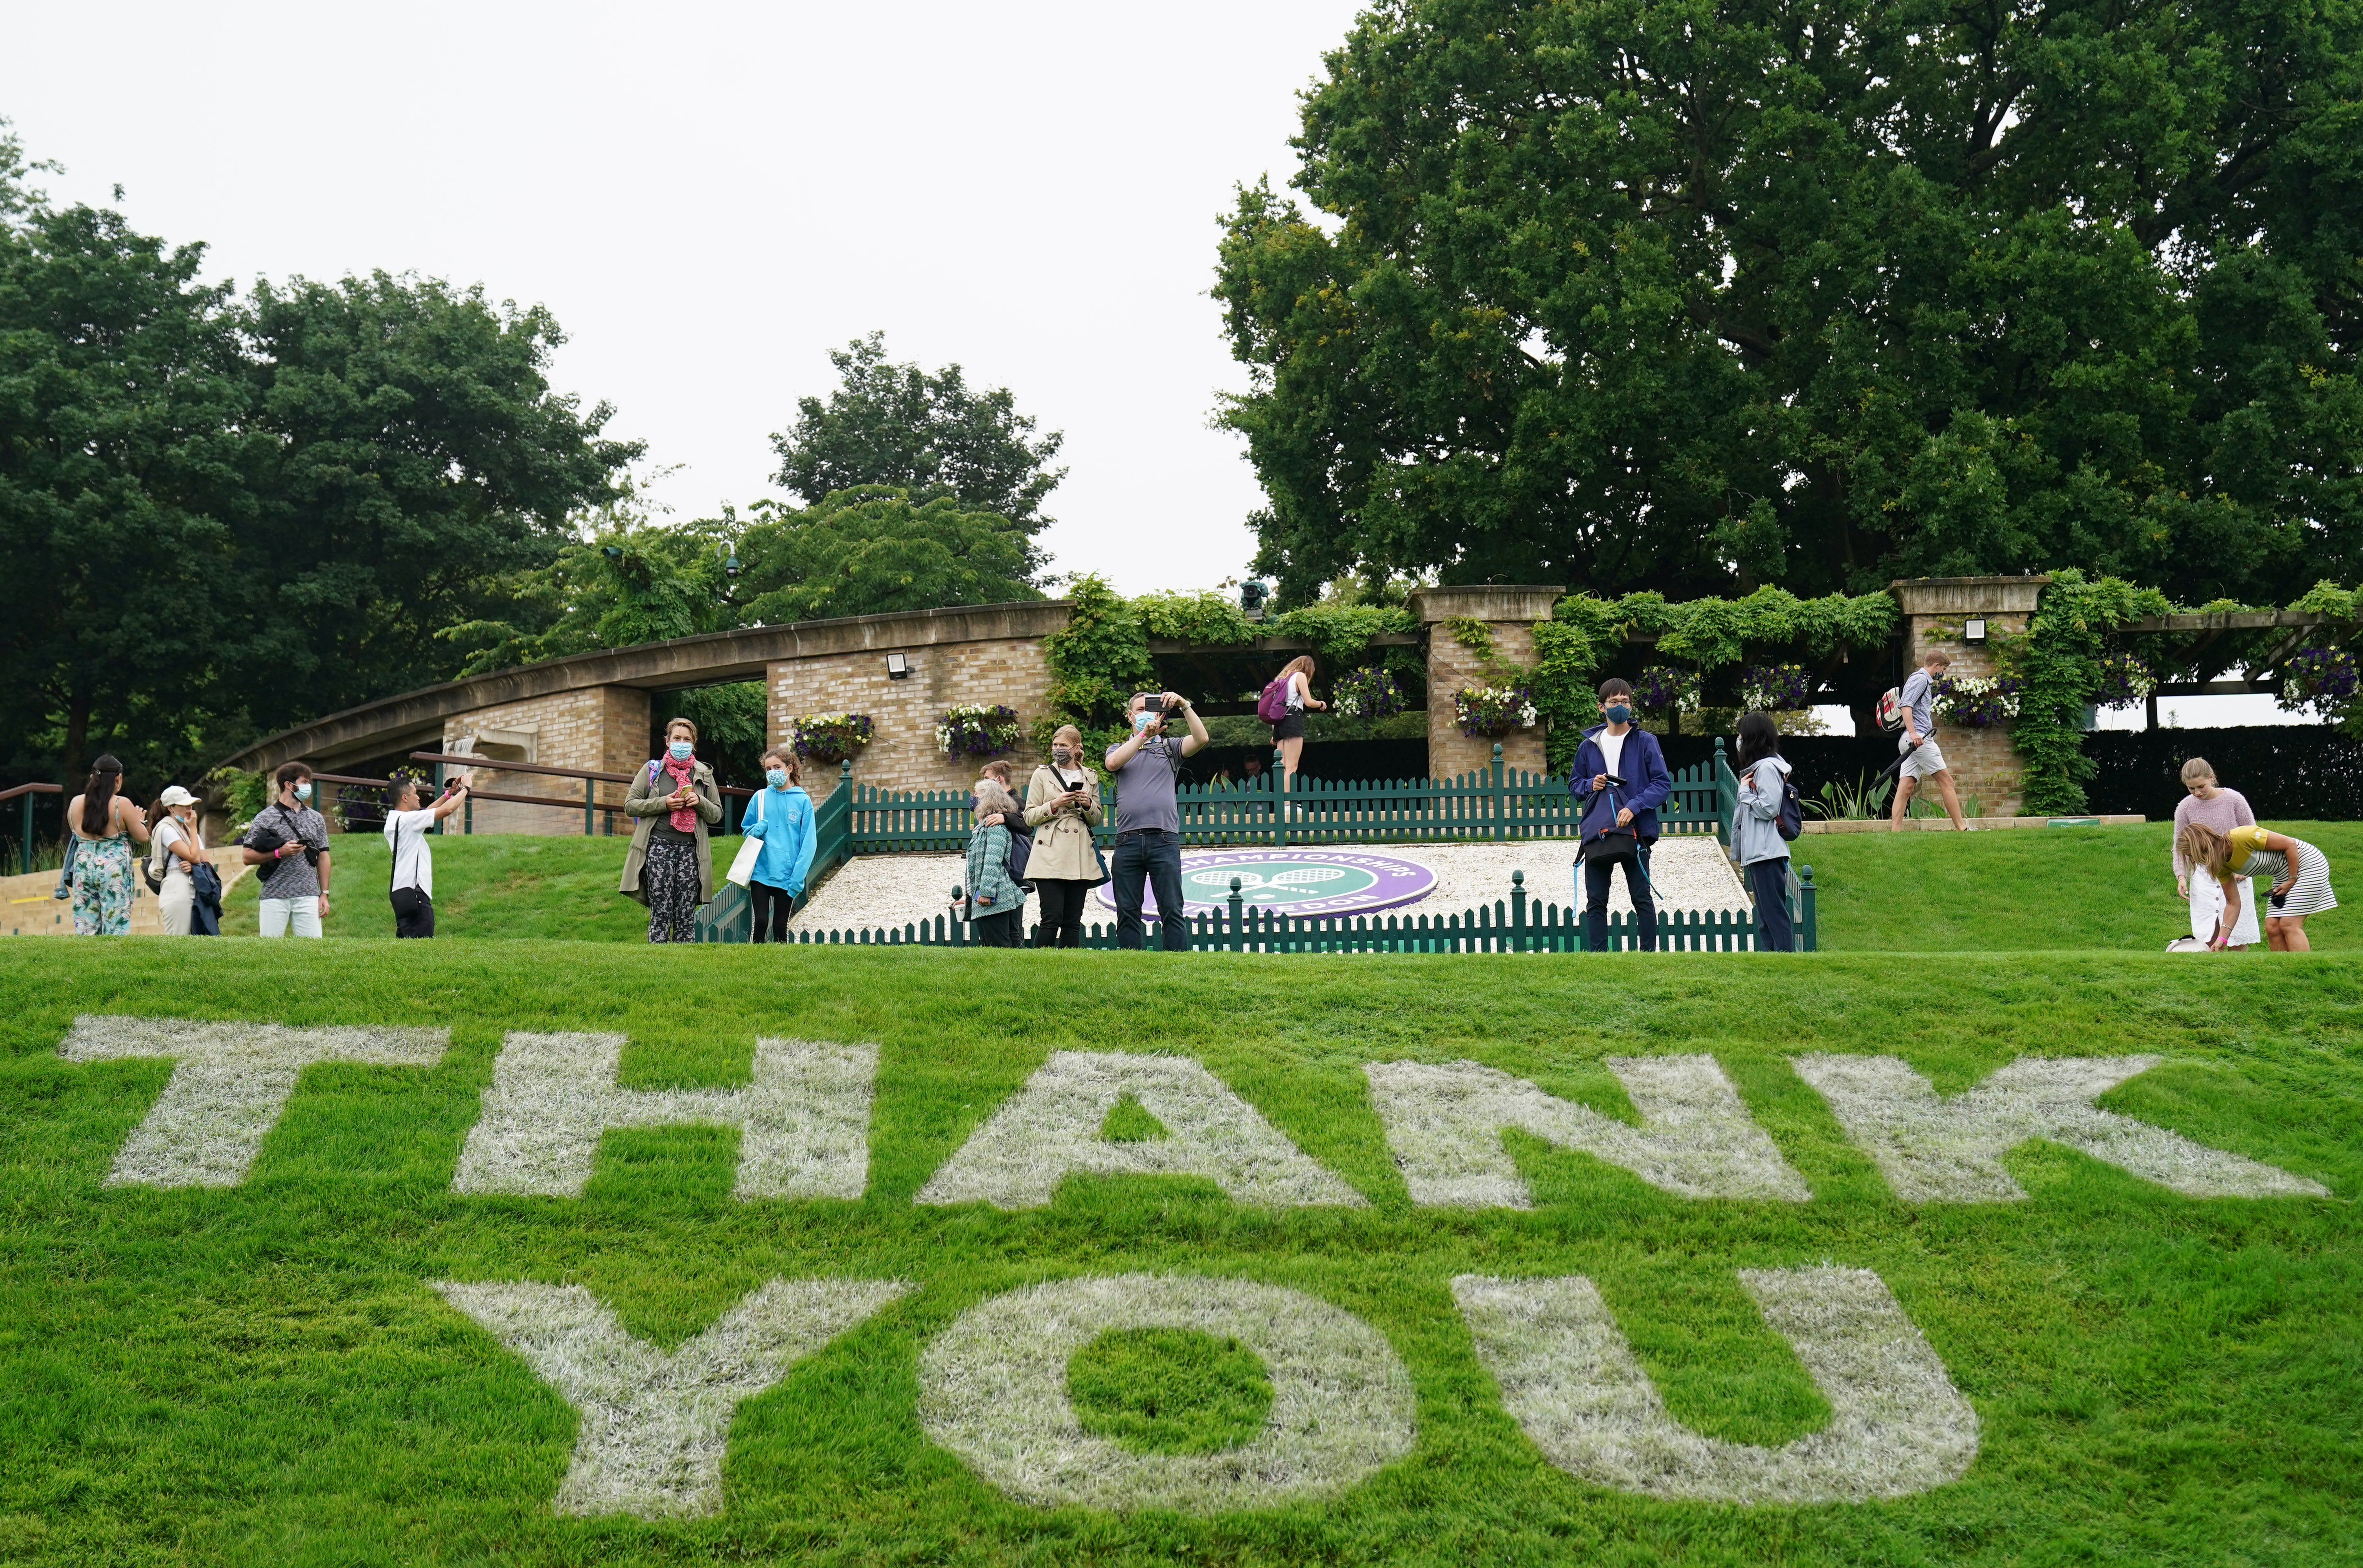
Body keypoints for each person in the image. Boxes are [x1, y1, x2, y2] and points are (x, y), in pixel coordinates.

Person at [1569, 679, 1671, 952]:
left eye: (1625, 702)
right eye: (1614, 702)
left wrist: (1633, 807)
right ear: (1602, 707)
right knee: (1596, 900)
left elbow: (1662, 784)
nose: (1621, 707)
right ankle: (1599, 959)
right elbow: (1575, 785)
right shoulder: (1588, 745)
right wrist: (1591, 784)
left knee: (1641, 897)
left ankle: (1649, 956)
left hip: (1636, 830)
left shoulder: (1646, 741)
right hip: (1599, 830)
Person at [1103, 689, 1209, 951]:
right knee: (1127, 912)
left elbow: (1202, 738)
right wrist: (1143, 736)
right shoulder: (1118, 748)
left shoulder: (1170, 748)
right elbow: (1113, 763)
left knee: (1172, 909)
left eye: (1150, 709)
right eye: (1140, 710)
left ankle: (1177, 967)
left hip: (1163, 840)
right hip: (1127, 841)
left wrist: (1184, 705)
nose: (1145, 714)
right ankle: (1132, 967)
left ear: (1160, 715)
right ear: (1130, 716)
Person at [620, 716, 724, 943]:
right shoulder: (652, 770)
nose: (681, 743)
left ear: (694, 744)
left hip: (691, 850)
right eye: (677, 738)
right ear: (667, 741)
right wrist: (663, 803)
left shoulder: (704, 773)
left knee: (686, 915)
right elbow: (630, 805)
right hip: (658, 847)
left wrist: (699, 801)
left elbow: (716, 814)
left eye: (687, 740)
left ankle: (683, 964)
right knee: (661, 911)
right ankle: (658, 962)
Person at [2178, 821, 2337, 953]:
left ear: (2200, 847)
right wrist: (2222, 939)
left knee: (2289, 924)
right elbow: (2233, 903)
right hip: (2284, 874)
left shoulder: (2241, 837)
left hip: (2308, 864)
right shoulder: (2221, 866)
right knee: (2272, 926)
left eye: (2191, 855)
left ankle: (2304, 969)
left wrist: (2291, 879)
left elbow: (2290, 844)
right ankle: (2282, 970)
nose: (2193, 860)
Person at [1024, 723, 1107, 947]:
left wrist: (1088, 804)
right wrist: (1054, 804)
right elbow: (1029, 816)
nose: (1058, 749)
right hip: (1049, 851)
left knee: (1073, 921)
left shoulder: (1090, 776)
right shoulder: (1042, 774)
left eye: (1063, 745)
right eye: (1055, 745)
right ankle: (1038, 969)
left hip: (1080, 853)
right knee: (1051, 919)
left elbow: (1097, 818)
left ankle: (1068, 967)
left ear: (1076, 748)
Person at [2171, 758, 2259, 950]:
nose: (2197, 793)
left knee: (2237, 935)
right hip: (2203, 876)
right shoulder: (2185, 808)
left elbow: (2253, 835)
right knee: (2207, 935)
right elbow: (2180, 846)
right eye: (2191, 789)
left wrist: (2246, 868)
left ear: (2212, 778)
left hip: (2236, 870)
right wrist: (2181, 876)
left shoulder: (2234, 800)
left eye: (2201, 786)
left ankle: (2240, 975)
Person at [244, 762, 332, 938]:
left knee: (312, 952)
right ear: (288, 785)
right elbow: (247, 857)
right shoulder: (265, 817)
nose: (308, 787)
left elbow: (323, 856)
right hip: (274, 895)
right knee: (270, 951)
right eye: (304, 782)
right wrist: (279, 853)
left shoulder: (316, 818)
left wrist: (324, 894)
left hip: (308, 895)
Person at [1730, 713, 1795, 952]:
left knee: (1773, 913)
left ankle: (1786, 959)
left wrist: (1745, 793)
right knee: (1765, 917)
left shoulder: (1767, 768)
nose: (1738, 740)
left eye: (1741, 735)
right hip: (1760, 853)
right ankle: (1771, 959)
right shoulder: (1760, 768)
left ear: (1752, 738)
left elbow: (1768, 808)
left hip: (1767, 853)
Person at [66, 755, 149, 936]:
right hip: (114, 870)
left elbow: (74, 830)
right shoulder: (122, 804)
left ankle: (87, 962)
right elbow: (143, 838)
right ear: (118, 778)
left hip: (83, 866)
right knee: (116, 926)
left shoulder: (75, 804)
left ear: (92, 778)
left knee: (86, 927)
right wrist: (140, 821)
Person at [741, 749, 816, 944]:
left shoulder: (802, 801)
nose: (772, 771)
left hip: (788, 874)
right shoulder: (760, 797)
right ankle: (753, 967)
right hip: (761, 871)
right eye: (768, 769)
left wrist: (797, 878)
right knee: (760, 923)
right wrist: (757, 830)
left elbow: (808, 843)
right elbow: (746, 831)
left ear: (789, 769)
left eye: (777, 767)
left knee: (780, 926)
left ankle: (782, 967)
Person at [383, 774, 470, 938]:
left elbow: (427, 813)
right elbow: (447, 811)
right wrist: (466, 789)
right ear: (405, 798)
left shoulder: (396, 820)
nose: (418, 797)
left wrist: (448, 794)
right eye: (415, 793)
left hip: (404, 896)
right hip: (417, 897)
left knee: (407, 951)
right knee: (420, 950)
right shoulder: (408, 821)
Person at [1891, 649, 1969, 830]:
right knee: (1947, 782)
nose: (1943, 673)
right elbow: (1906, 705)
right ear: (1936, 666)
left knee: (1906, 786)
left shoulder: (1919, 679)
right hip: (1919, 740)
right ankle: (1962, 828)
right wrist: (1913, 733)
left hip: (1913, 741)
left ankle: (1894, 833)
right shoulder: (1921, 679)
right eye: (1943, 668)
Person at [962, 781, 1028, 947]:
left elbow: (993, 862)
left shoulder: (995, 828)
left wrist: (986, 892)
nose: (973, 798)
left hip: (996, 899)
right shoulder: (984, 827)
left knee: (998, 947)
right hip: (990, 897)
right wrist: (970, 896)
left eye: (976, 794)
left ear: (988, 798)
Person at [147, 785, 208, 936]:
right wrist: (194, 829)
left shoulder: (187, 830)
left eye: (190, 804)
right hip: (177, 886)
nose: (189, 809)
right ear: (170, 808)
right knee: (179, 941)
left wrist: (195, 865)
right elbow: (194, 856)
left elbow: (206, 862)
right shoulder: (166, 829)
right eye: (184, 805)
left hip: (194, 885)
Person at [1267, 655, 1327, 797]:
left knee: (1281, 767)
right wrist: (1321, 704)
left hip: (1279, 725)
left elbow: (1275, 709)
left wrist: (1274, 733)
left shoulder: (1281, 680)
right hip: (1293, 721)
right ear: (1308, 669)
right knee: (1292, 767)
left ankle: (1280, 802)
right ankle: (1288, 803)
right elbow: (1309, 702)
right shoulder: (1300, 676)